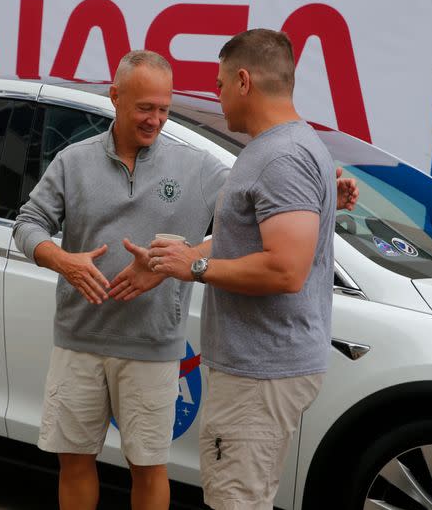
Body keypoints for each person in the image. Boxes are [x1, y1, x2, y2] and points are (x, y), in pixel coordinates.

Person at [13, 50, 357, 510]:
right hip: (78, 341)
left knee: (149, 467)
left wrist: (322, 195)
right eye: (144, 108)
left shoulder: (196, 167)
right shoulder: (73, 161)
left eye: (164, 108)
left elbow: (257, 207)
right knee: (74, 461)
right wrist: (61, 260)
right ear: (115, 97)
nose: (156, 119)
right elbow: (28, 223)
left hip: (154, 347)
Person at [149, 28, 344, 509]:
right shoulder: (287, 147)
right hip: (261, 367)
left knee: (236, 500)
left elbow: (285, 270)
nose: (216, 97)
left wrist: (194, 266)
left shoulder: (282, 156)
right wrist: (182, 257)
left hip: (259, 373)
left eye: (217, 85)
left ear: (242, 81)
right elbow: (253, 239)